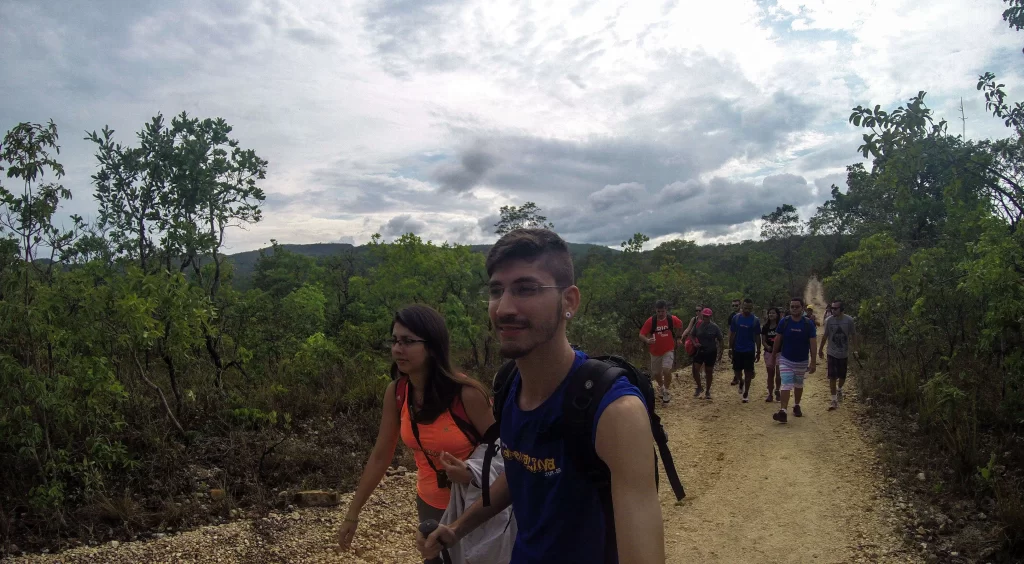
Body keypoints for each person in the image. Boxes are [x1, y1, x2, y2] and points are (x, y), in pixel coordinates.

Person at [418, 228, 664, 563]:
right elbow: (520, 471)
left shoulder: (616, 413)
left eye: (526, 289)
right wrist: (459, 527)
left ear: (569, 301)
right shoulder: (509, 386)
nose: (503, 308)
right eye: (496, 290)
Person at [337, 305, 495, 551]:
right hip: (429, 503)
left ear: (432, 347)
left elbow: (504, 452)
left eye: (408, 341)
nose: (398, 349)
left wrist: (471, 472)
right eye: (395, 340)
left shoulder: (467, 394)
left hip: (474, 505)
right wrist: (353, 513)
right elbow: (381, 455)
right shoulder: (398, 393)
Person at [771, 297, 818, 423]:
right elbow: (778, 339)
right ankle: (783, 411)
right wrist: (773, 355)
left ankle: (796, 405)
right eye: (792, 306)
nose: (794, 309)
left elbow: (813, 344)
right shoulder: (784, 322)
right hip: (786, 359)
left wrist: (813, 361)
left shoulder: (808, 324)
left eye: (797, 306)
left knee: (798, 384)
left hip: (802, 360)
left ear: (802, 308)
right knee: (786, 383)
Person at [639, 300, 683, 404]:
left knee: (666, 370)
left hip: (668, 349)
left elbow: (680, 325)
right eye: (658, 311)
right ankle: (662, 387)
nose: (660, 313)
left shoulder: (672, 319)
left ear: (666, 310)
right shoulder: (651, 321)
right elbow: (641, 334)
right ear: (656, 310)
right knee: (656, 373)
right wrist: (647, 340)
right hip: (655, 352)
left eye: (662, 311)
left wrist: (678, 338)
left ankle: (666, 391)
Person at [818, 300, 858, 411]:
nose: (833, 310)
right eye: (832, 308)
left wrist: (856, 350)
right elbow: (825, 335)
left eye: (835, 308)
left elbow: (854, 335)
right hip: (831, 352)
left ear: (841, 309)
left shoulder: (849, 320)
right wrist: (820, 349)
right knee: (832, 376)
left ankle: (839, 389)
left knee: (842, 376)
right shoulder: (829, 321)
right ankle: (834, 400)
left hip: (844, 352)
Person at [729, 298, 761, 403]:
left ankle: (746, 392)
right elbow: (732, 334)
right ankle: (740, 381)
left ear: (752, 308)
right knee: (737, 371)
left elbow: (757, 336)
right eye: (745, 308)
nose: (747, 310)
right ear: (742, 307)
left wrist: (759, 350)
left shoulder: (755, 320)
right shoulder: (736, 318)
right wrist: (730, 348)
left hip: (749, 350)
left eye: (749, 308)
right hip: (737, 349)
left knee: (748, 373)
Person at [691, 307, 724, 400]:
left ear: (710, 317)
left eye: (707, 317)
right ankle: (699, 387)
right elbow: (692, 335)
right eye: (704, 316)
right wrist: (695, 343)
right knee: (695, 369)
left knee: (709, 371)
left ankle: (708, 391)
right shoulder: (697, 325)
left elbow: (721, 339)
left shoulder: (714, 327)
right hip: (700, 350)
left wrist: (721, 352)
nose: (705, 318)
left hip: (711, 351)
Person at [762, 307, 782, 403]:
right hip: (769, 353)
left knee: (778, 373)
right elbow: (763, 340)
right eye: (770, 313)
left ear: (777, 315)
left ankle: (777, 390)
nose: (771, 315)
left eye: (773, 313)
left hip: (780, 353)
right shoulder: (765, 327)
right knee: (770, 374)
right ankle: (770, 394)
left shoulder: (780, 326)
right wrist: (767, 346)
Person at [727, 299, 742, 385]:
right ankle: (736, 377)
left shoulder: (746, 315)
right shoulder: (731, 316)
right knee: (735, 359)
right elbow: (730, 330)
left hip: (744, 341)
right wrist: (729, 344)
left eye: (736, 305)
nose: (734, 307)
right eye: (733, 305)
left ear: (740, 305)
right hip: (735, 341)